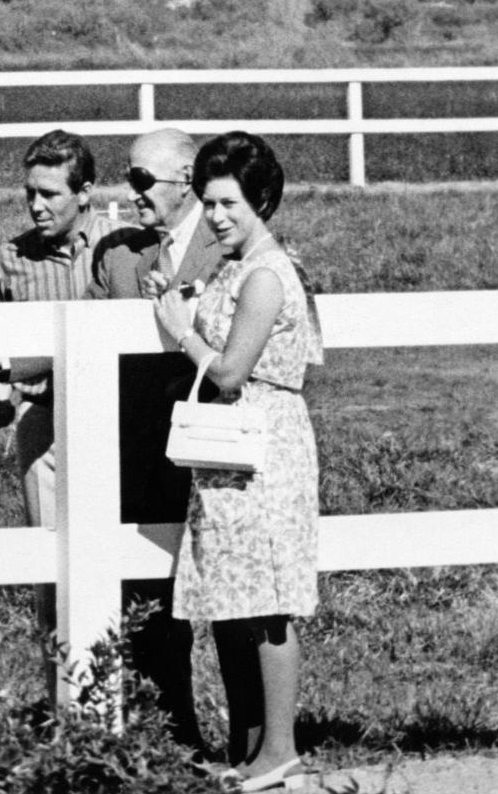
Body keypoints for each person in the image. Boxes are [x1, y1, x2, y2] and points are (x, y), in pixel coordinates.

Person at [152, 131, 323, 792]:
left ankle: (280, 748)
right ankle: (255, 749)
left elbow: (227, 371)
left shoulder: (265, 274)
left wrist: (182, 332)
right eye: (210, 202)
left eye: (229, 203)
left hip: (263, 447)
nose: (217, 215)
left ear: (260, 201)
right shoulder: (233, 268)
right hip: (234, 449)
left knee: (271, 600)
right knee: (239, 596)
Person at [0, 129, 128, 670]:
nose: (36, 204)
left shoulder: (122, 246)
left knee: (121, 561)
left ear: (85, 192)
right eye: (30, 192)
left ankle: (126, 697)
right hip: (44, 423)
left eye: (50, 193)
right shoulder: (11, 259)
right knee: (53, 566)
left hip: (116, 423)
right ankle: (63, 703)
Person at [78, 128, 226, 761]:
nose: (130, 191)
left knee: (224, 596)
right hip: (136, 445)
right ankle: (163, 728)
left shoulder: (228, 249)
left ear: (186, 177)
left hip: (213, 441)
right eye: (128, 177)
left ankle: (250, 738)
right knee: (145, 592)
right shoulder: (117, 257)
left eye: (142, 180)